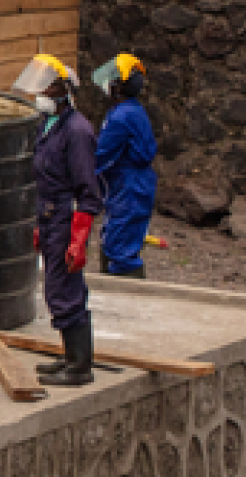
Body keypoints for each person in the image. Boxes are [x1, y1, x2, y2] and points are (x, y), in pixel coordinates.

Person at [19, 55, 104, 387]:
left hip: (67, 218)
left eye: (47, 87)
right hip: (50, 213)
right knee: (55, 288)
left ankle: (80, 366)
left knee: (66, 289)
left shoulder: (78, 131)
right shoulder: (48, 123)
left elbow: (88, 189)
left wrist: (78, 237)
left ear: (62, 90)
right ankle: (70, 356)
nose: (40, 93)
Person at [93, 53, 158, 278]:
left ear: (119, 86)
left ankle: (126, 299)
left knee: (119, 250)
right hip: (133, 184)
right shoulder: (132, 110)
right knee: (123, 241)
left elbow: (100, 154)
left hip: (127, 187)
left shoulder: (121, 117)